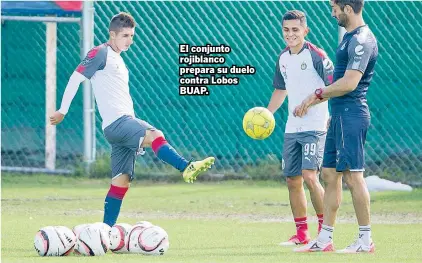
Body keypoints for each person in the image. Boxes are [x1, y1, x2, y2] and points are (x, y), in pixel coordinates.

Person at [50, 12, 215, 227]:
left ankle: (105, 232)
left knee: (121, 181)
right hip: (119, 123)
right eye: (125, 35)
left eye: (132, 35)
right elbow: (75, 78)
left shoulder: (117, 58)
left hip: (119, 126)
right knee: (155, 135)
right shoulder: (100, 52)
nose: (130, 40)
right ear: (112, 34)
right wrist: (62, 110)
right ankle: (186, 167)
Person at [293, 0, 378, 253]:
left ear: (348, 9)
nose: (332, 13)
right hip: (339, 115)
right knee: (329, 175)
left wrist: (315, 95)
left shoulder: (362, 39)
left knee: (353, 177)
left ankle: (365, 240)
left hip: (352, 114)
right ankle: (325, 238)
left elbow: (350, 83)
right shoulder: (348, 37)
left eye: (335, 8)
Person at [268, 10, 334, 246]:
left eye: (295, 30)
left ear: (305, 31)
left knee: (310, 176)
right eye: (286, 30)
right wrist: (267, 113)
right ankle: (302, 234)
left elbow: (332, 88)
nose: (290, 34)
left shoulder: (317, 55)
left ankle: (325, 232)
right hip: (291, 128)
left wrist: (310, 103)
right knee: (292, 180)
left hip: (315, 127)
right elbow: (280, 90)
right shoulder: (283, 58)